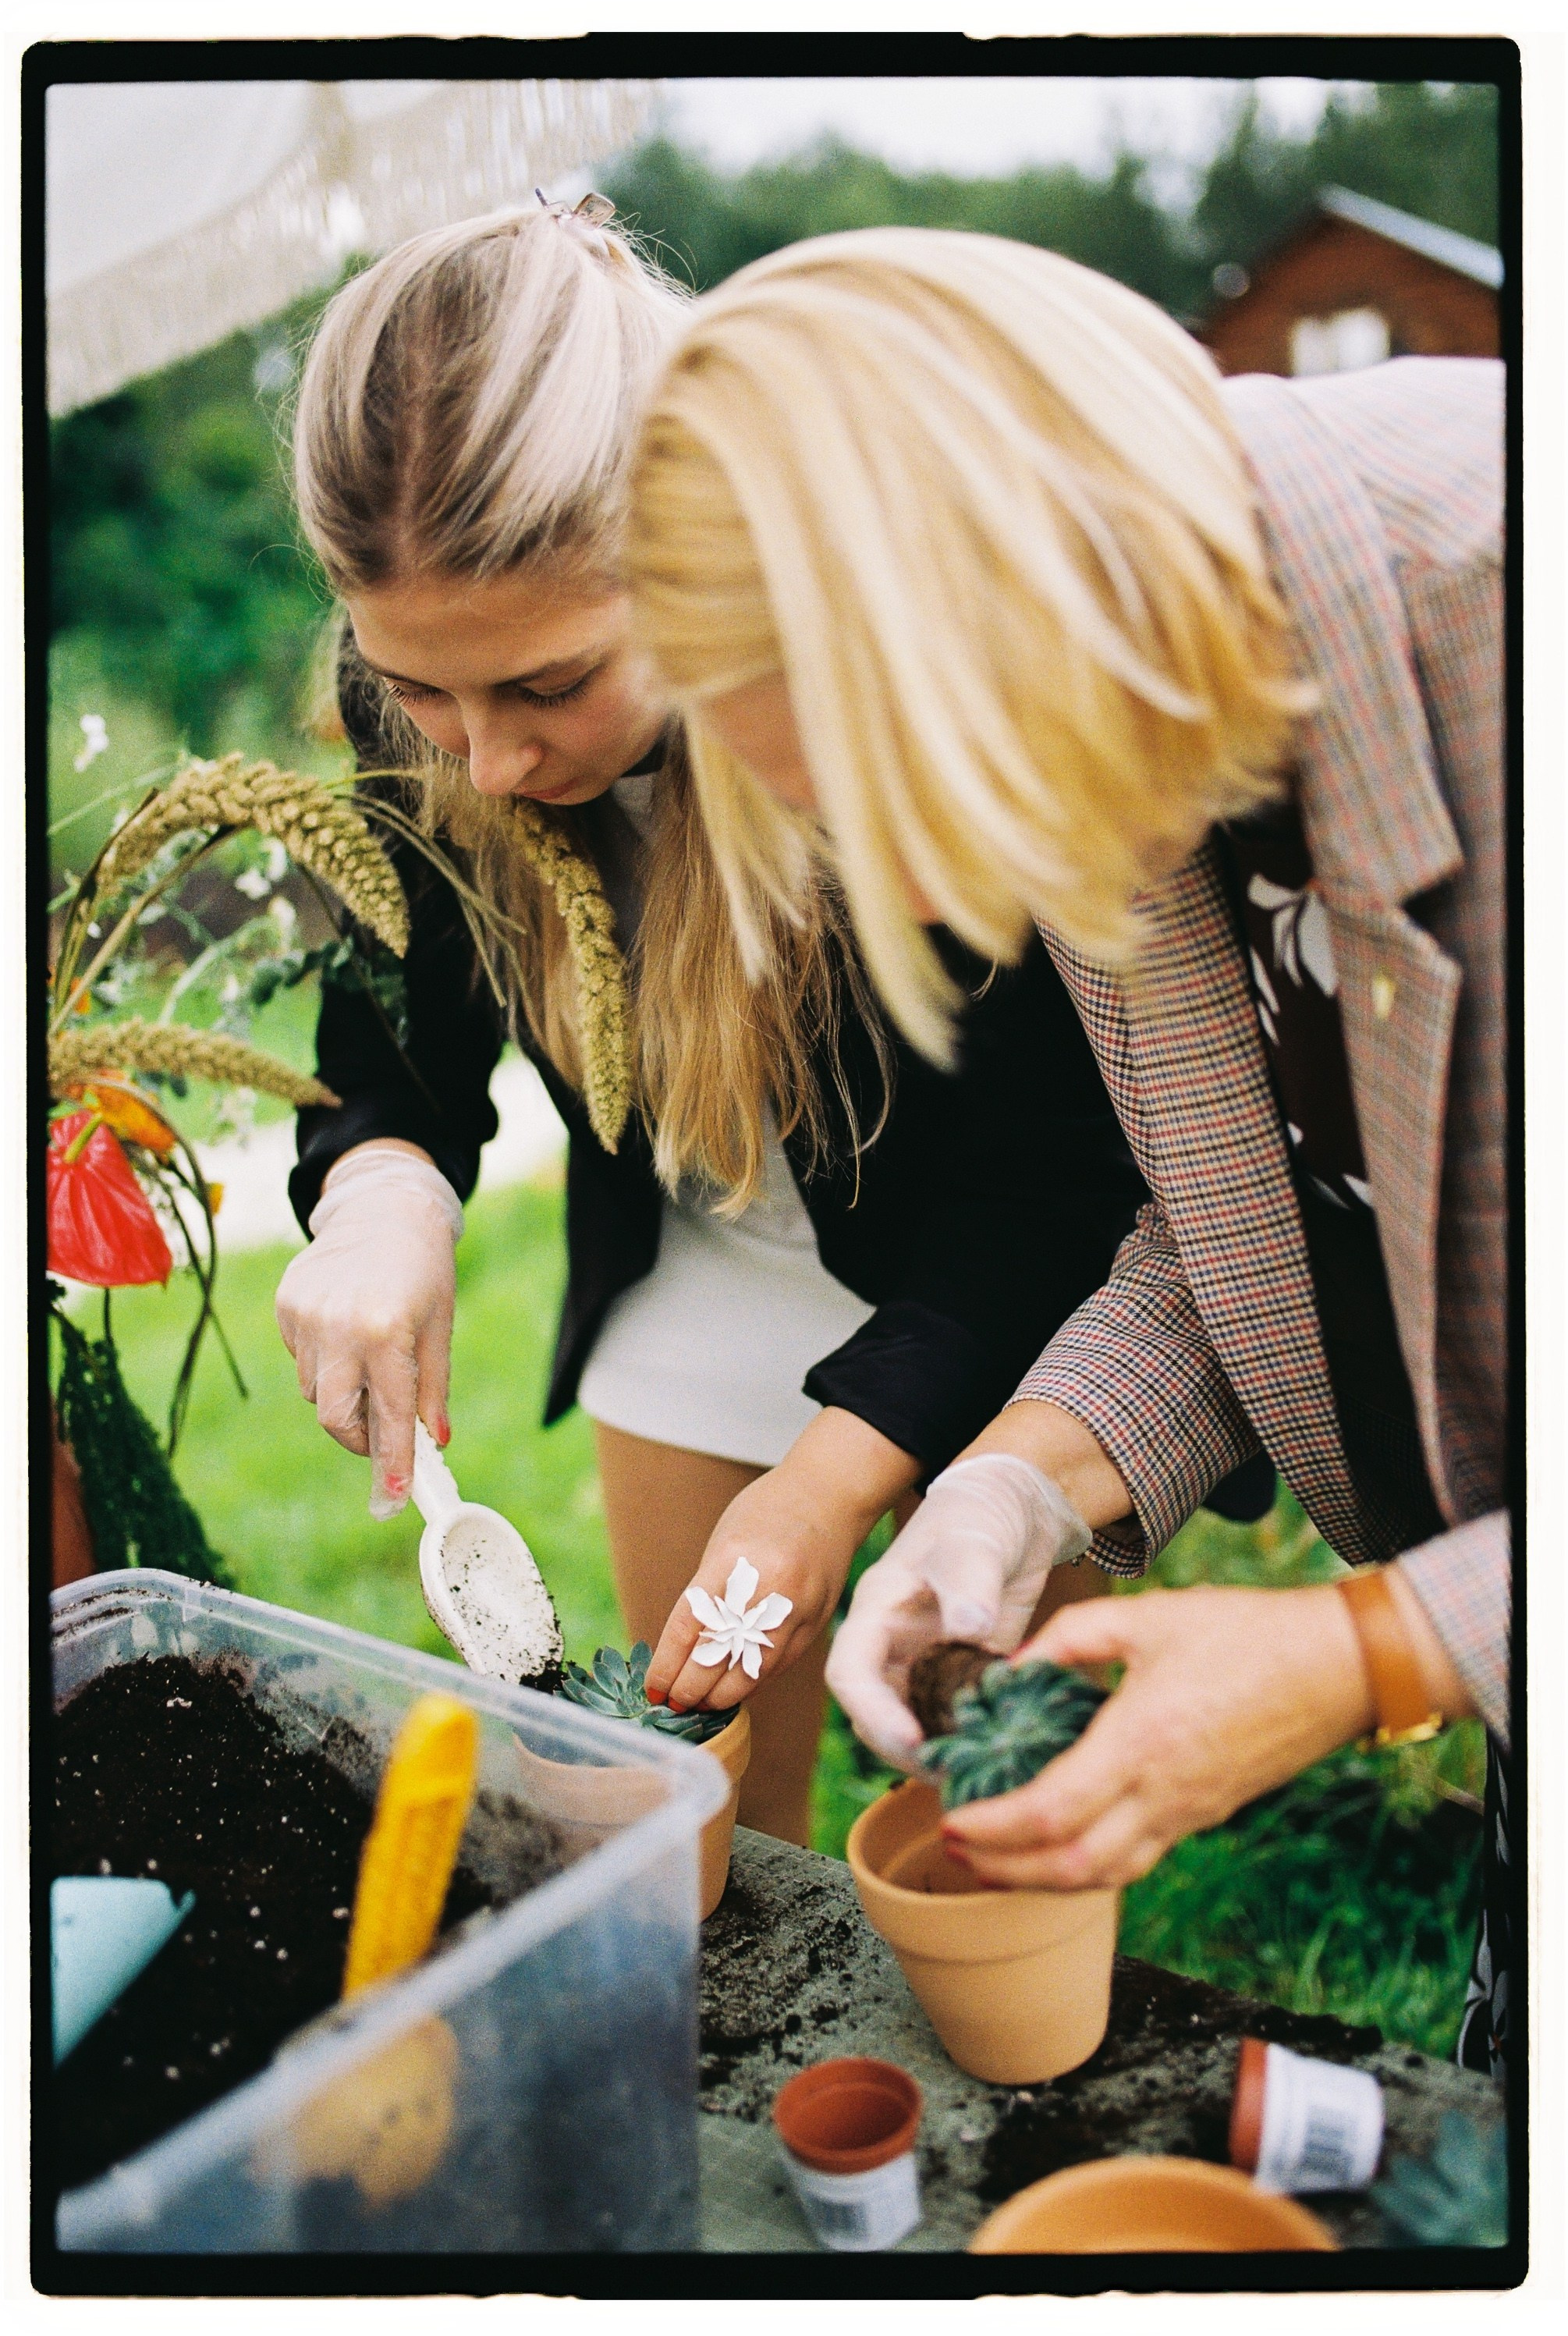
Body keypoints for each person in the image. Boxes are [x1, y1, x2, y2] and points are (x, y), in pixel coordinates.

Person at [625, 227, 1510, 2068]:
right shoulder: (1130, 730)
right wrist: (1027, 1477)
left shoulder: (1508, 615)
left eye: (904, 797)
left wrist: (1365, 1656)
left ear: (1020, 592)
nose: (936, 899)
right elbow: (1253, 1210)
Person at [275, 201, 1155, 1848]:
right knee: (708, 1795)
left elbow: (1051, 1193)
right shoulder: (438, 673)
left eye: (547, 688)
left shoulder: (901, 697)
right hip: (684, 1260)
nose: (483, 763)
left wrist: (833, 1482)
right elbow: (391, 1026)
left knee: (972, 1776)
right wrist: (385, 1193)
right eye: (425, 694)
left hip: (975, 1284)